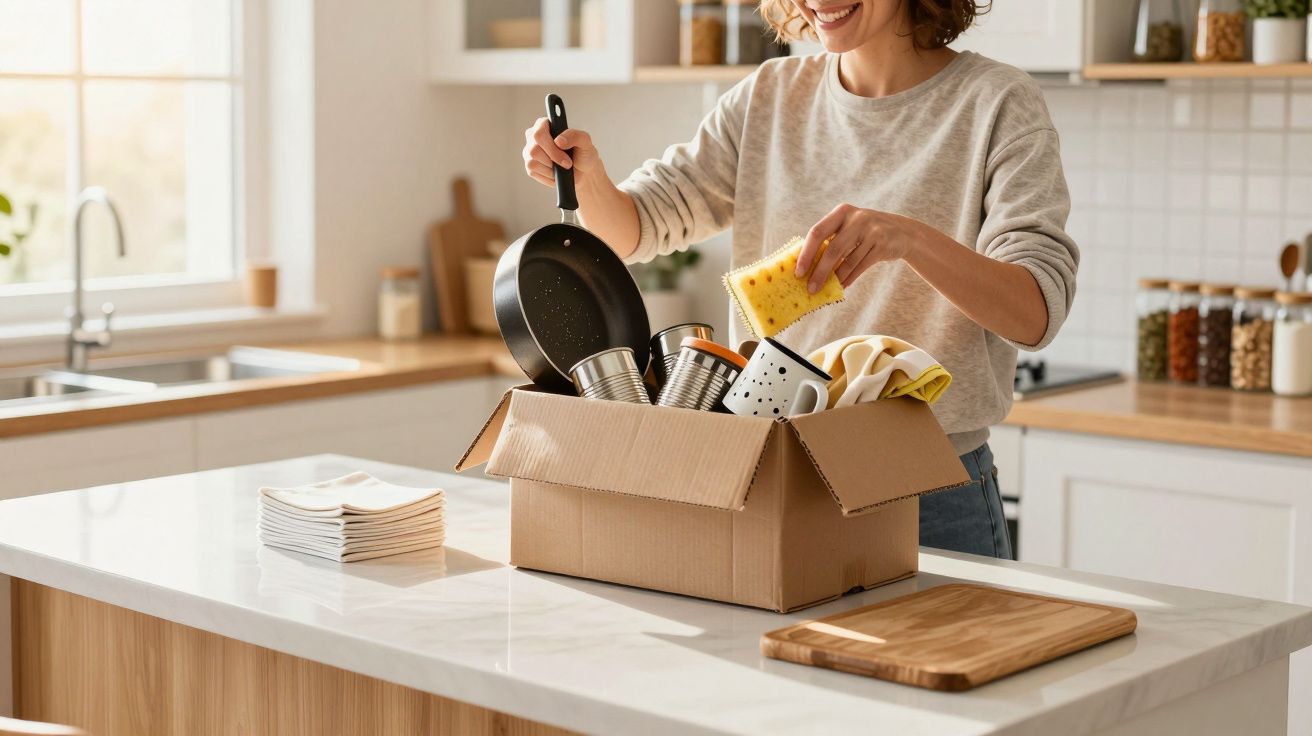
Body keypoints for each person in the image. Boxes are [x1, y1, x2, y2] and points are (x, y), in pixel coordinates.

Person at [520, 0, 1078, 560]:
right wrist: (588, 177)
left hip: (926, 486)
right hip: (775, 476)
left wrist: (908, 240)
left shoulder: (997, 102)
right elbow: (637, 226)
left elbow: (1036, 312)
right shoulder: (768, 96)